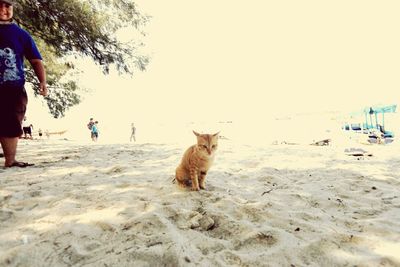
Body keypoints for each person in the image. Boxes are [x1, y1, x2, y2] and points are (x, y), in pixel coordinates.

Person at [0, 0, 47, 168]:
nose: (3, 9)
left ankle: (10, 160)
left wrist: (42, 82)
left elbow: (35, 60)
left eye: (7, 5)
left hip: (13, 88)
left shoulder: (21, 34)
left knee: (12, 122)